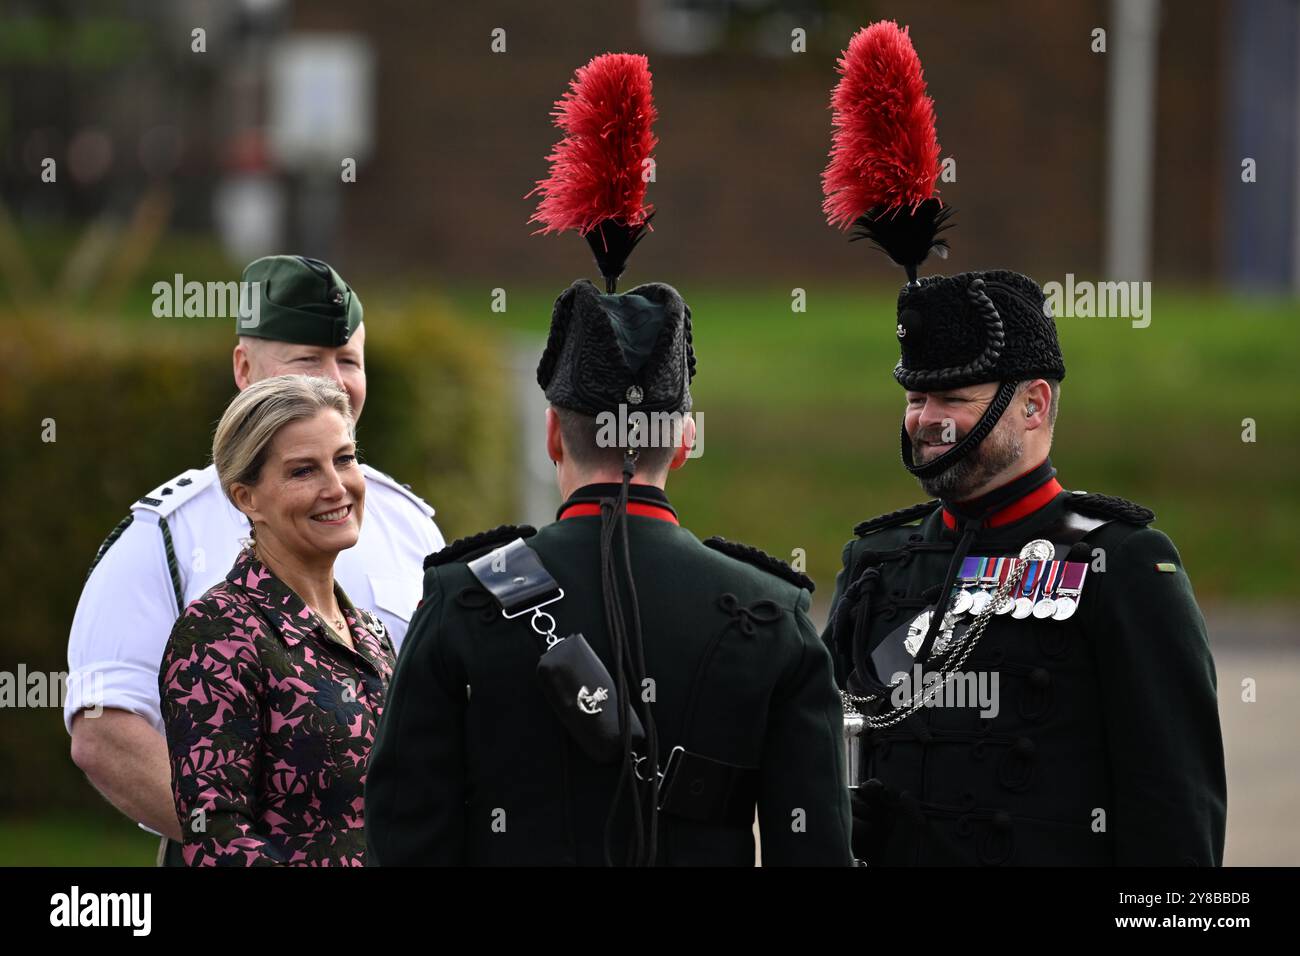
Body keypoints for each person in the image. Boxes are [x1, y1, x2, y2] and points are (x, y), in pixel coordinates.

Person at [365, 52, 851, 867]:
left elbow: (403, 838)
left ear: (552, 434)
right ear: (685, 441)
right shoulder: (774, 617)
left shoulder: (464, 599)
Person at [818, 22, 1226, 865]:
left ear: (1033, 405)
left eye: (953, 398)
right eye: (916, 395)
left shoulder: (1126, 568)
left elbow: (1173, 813)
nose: (926, 418)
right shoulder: (877, 564)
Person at [66, 255, 443, 863]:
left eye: (348, 360)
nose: (333, 381)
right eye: (308, 359)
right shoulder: (164, 532)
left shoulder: (408, 523)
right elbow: (106, 732)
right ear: (244, 367)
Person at [160, 374, 394, 865]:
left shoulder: (369, 632)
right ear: (246, 498)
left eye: (345, 459)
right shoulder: (218, 633)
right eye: (303, 471)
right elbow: (217, 836)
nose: (336, 487)